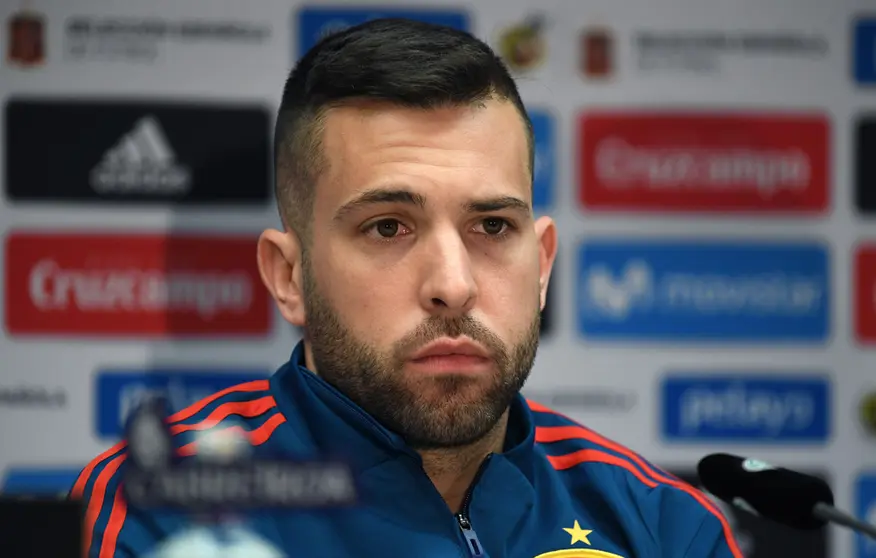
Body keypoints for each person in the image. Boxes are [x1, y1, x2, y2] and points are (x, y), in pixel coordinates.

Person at [72, 18, 743, 558]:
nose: (453, 285)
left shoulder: (663, 527)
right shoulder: (159, 513)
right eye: (388, 226)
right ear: (289, 276)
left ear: (540, 266)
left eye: (490, 225)